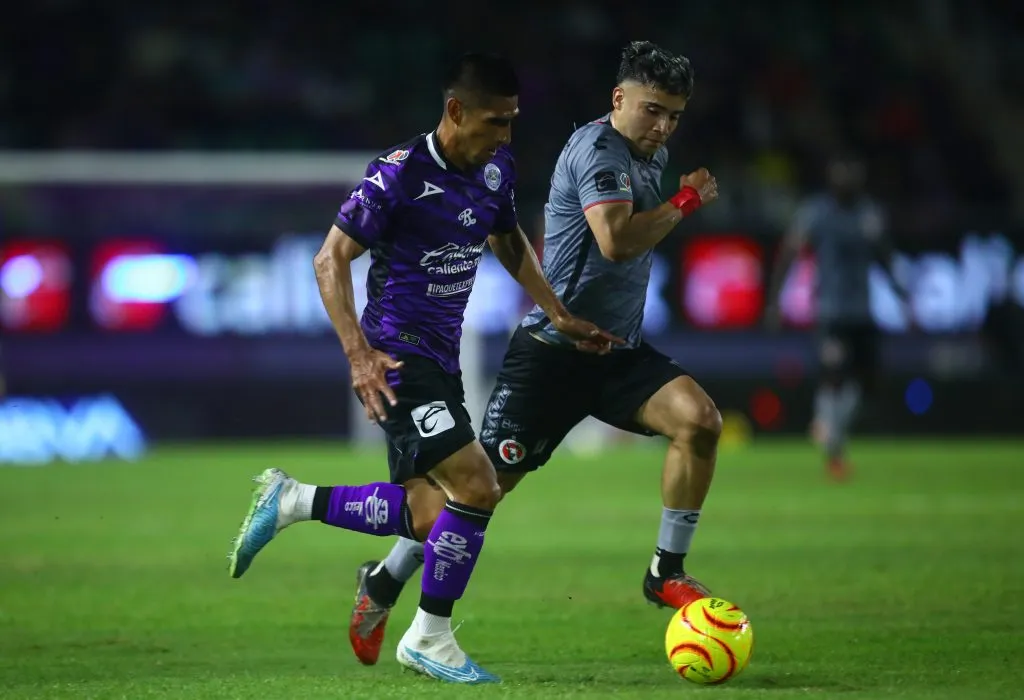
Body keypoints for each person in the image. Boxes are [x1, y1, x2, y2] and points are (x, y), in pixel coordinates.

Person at [226, 52, 618, 685]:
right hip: (396, 355)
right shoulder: (399, 174)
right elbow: (329, 260)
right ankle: (430, 637)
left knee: (432, 516)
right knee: (479, 487)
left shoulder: (496, 168)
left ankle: (294, 500)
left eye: (513, 121)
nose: (505, 136)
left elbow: (507, 238)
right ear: (456, 111)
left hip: (440, 359)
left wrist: (557, 311)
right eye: (495, 122)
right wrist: (359, 356)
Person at [347, 40, 724, 668]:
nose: (662, 127)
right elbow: (615, 241)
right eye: (652, 110)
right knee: (472, 496)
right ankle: (383, 581)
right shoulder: (597, 149)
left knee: (701, 421)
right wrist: (684, 203)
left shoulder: (648, 154)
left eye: (674, 116)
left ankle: (666, 570)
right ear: (619, 99)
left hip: (615, 351)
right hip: (552, 357)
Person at [765, 154, 910, 480]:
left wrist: (902, 294)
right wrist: (775, 300)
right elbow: (789, 253)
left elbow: (883, 254)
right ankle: (832, 442)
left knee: (867, 381)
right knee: (834, 372)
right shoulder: (816, 212)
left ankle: (829, 425)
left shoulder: (868, 213)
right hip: (831, 312)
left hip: (862, 311)